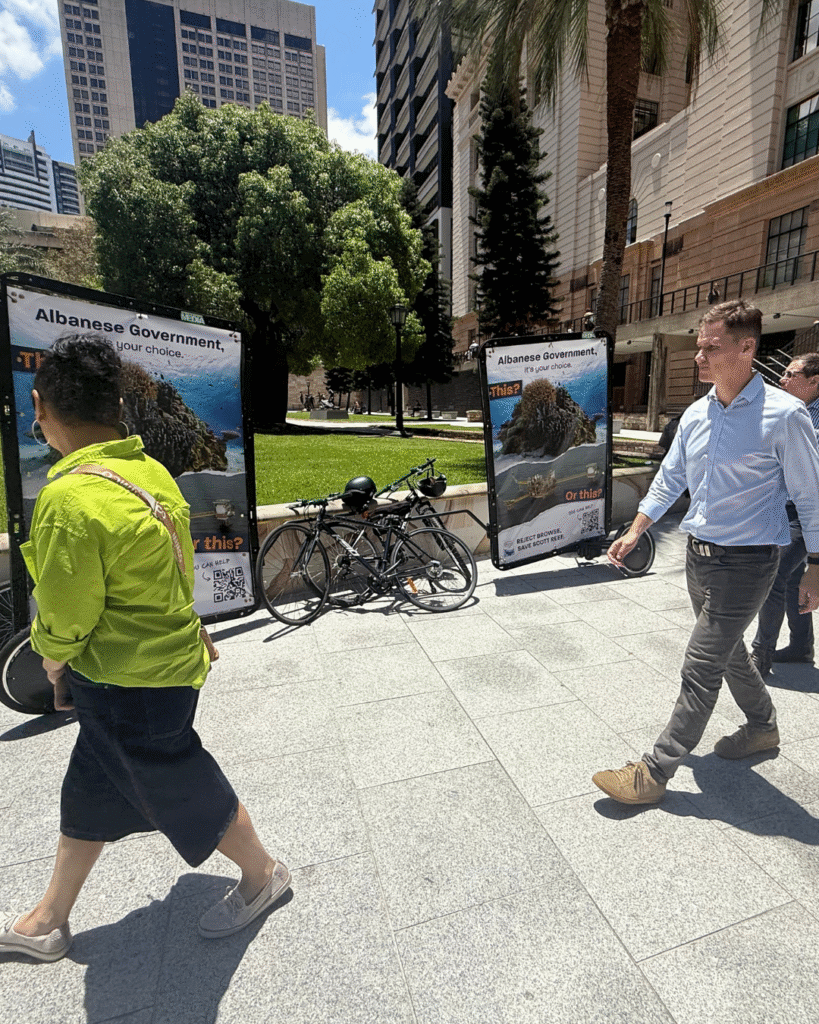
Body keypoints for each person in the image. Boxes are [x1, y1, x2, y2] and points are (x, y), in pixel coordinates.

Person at [0, 334, 290, 963]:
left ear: (41, 407)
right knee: (91, 786)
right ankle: (49, 917)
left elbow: (66, 618)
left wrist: (51, 661)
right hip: (163, 664)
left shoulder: (68, 499)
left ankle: (264, 874)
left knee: (182, 783)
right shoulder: (150, 472)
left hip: (130, 681)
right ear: (117, 406)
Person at [592, 300, 819, 805]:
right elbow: (670, 477)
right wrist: (636, 529)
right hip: (699, 558)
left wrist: (817, 567)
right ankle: (763, 726)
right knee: (729, 651)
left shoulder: (786, 414)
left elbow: (811, 495)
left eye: (711, 348)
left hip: (749, 561)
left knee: (701, 664)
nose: (698, 357)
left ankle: (653, 772)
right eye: (699, 347)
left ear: (747, 347)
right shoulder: (697, 413)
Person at [751, 353, 819, 677]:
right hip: (786, 507)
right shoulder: (793, 412)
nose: (782, 379)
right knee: (791, 576)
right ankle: (801, 647)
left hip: (809, 512)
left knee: (773, 574)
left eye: (791, 374)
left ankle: (759, 655)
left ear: (814, 381)